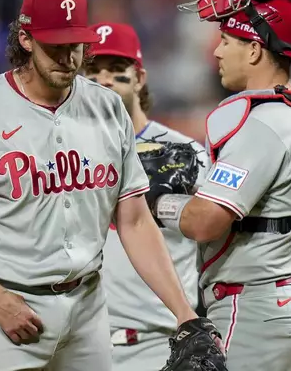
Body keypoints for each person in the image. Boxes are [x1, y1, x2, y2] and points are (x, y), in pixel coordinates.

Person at [0, 0, 218, 371]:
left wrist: (185, 315)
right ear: (25, 39)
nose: (67, 57)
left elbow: (135, 219)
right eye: (54, 45)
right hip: (3, 310)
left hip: (88, 307)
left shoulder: (108, 108)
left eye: (74, 44)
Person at [145, 0, 291, 370]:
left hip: (255, 309)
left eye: (227, 40)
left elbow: (205, 222)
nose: (216, 51)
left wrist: (157, 200)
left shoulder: (263, 123)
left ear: (254, 49)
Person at [83, 22, 209, 371]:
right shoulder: (64, 153)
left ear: (139, 78)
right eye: (92, 71)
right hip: (79, 342)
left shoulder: (184, 152)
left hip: (156, 343)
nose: (103, 79)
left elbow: (213, 233)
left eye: (115, 70)